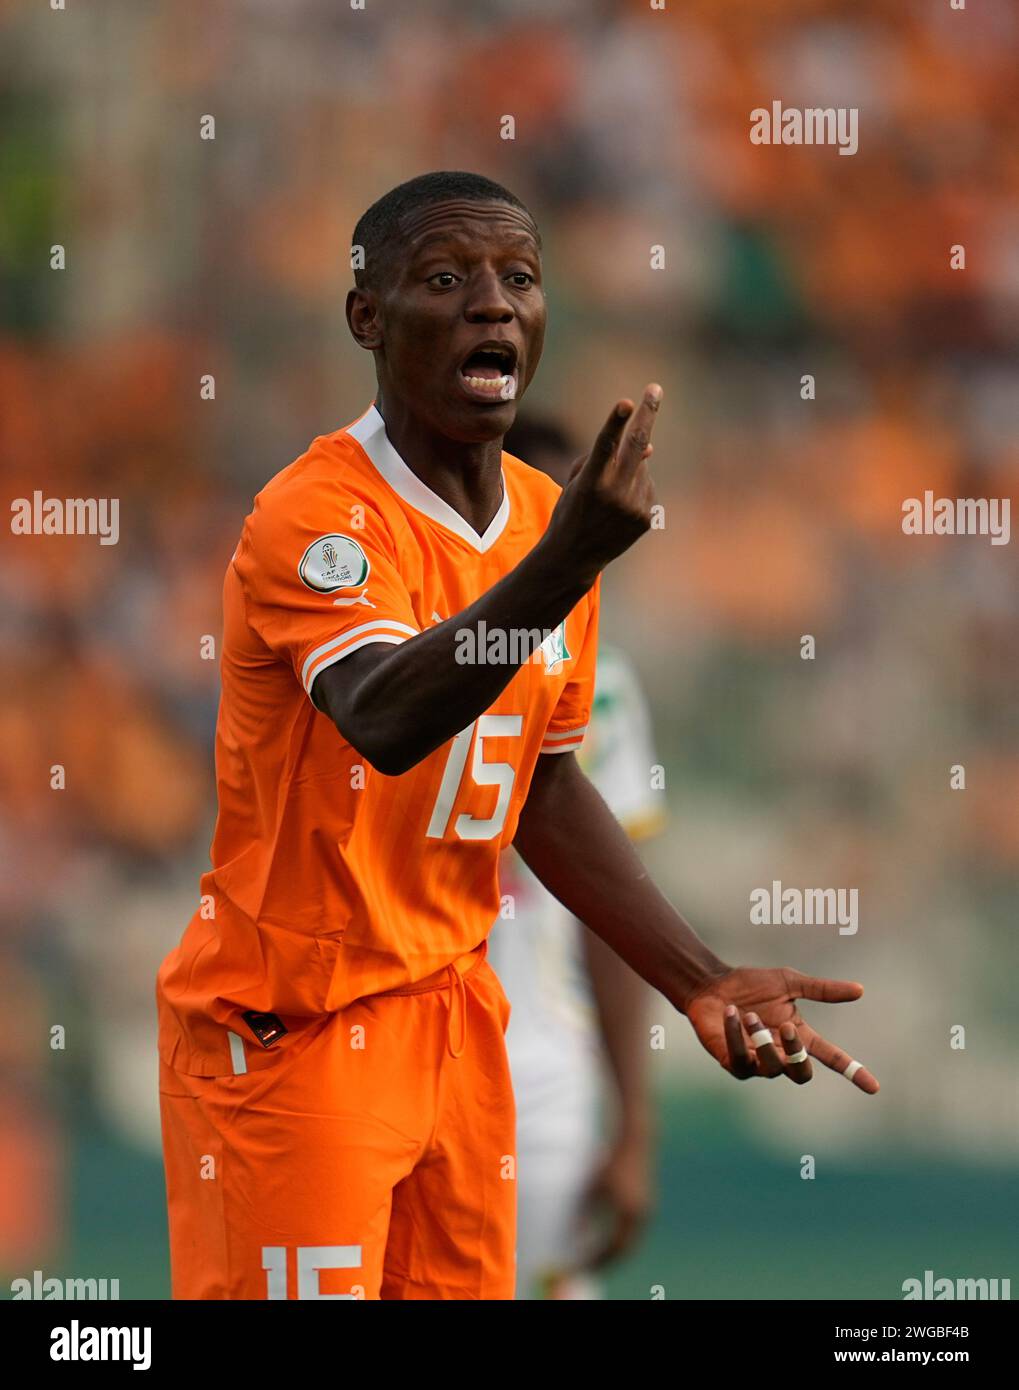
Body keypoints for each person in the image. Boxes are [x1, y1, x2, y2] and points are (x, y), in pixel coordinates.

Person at [155, 170, 879, 1302]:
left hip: (454, 1020)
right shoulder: (317, 514)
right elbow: (384, 717)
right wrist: (561, 568)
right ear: (368, 318)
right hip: (296, 1029)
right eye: (446, 280)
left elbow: (538, 784)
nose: (492, 305)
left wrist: (696, 975)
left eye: (519, 280)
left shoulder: (547, 519)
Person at [488, 416, 663, 1300]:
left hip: (542, 1079)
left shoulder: (607, 686)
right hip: (394, 1057)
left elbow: (609, 913)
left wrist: (632, 1127)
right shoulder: (397, 662)